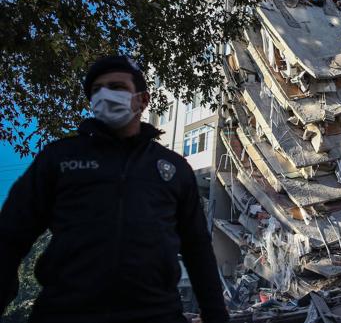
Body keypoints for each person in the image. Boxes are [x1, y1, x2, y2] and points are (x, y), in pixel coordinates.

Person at [0, 56, 228, 323]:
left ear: (142, 100)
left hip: (157, 314)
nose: (105, 95)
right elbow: (9, 238)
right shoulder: (59, 158)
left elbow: (197, 249)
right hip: (65, 313)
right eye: (97, 89)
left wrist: (216, 314)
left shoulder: (174, 168)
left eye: (117, 87)